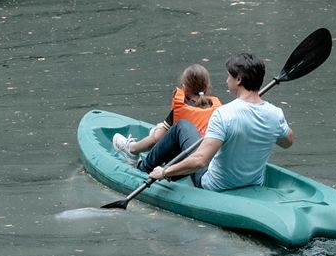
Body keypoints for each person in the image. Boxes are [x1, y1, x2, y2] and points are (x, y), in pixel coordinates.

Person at [124, 53, 293, 191]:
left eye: (229, 76)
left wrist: (165, 172)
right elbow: (287, 142)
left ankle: (142, 168)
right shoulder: (275, 114)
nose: (227, 80)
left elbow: (200, 161)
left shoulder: (224, 114)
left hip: (214, 185)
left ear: (239, 80)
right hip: (252, 183)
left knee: (182, 126)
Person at [113, 64, 220, 161]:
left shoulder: (182, 109)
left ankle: (131, 149)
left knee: (156, 134)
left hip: (182, 159)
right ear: (207, 87)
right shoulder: (216, 109)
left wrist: (158, 131)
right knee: (160, 129)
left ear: (185, 87)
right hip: (208, 157)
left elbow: (156, 139)